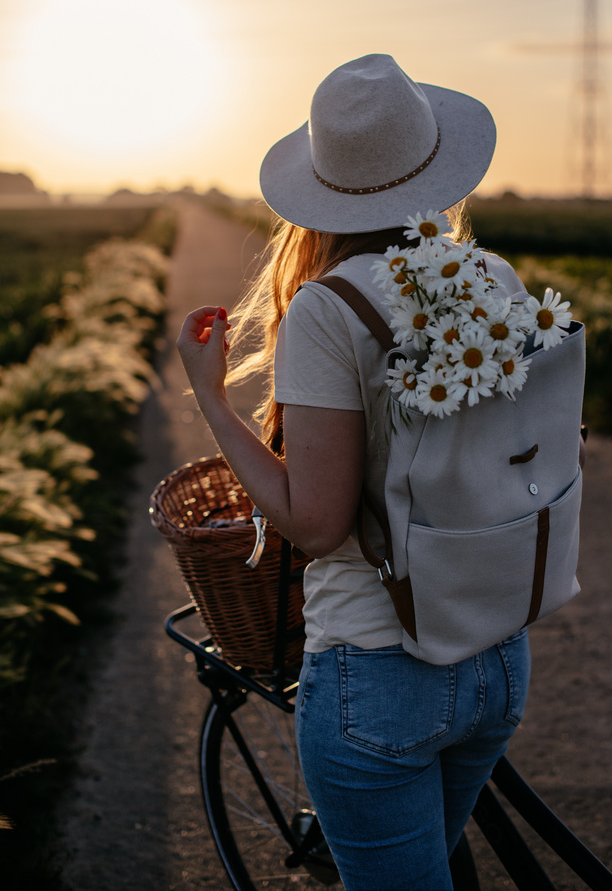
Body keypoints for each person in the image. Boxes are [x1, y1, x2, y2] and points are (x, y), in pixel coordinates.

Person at [177, 53, 532, 891]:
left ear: (324, 190)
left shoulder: (328, 308)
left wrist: (214, 402)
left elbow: (316, 524)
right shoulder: (494, 277)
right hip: (494, 654)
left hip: (380, 673)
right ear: (434, 165)